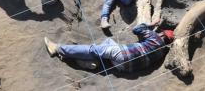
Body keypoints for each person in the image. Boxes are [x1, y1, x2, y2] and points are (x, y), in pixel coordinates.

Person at [44, 22, 174, 73]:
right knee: (108, 41)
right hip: (126, 68)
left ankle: (57, 48)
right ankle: (89, 62)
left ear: (161, 34)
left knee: (93, 49)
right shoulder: (162, 52)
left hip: (123, 54)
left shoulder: (154, 36)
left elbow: (136, 29)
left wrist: (151, 24)